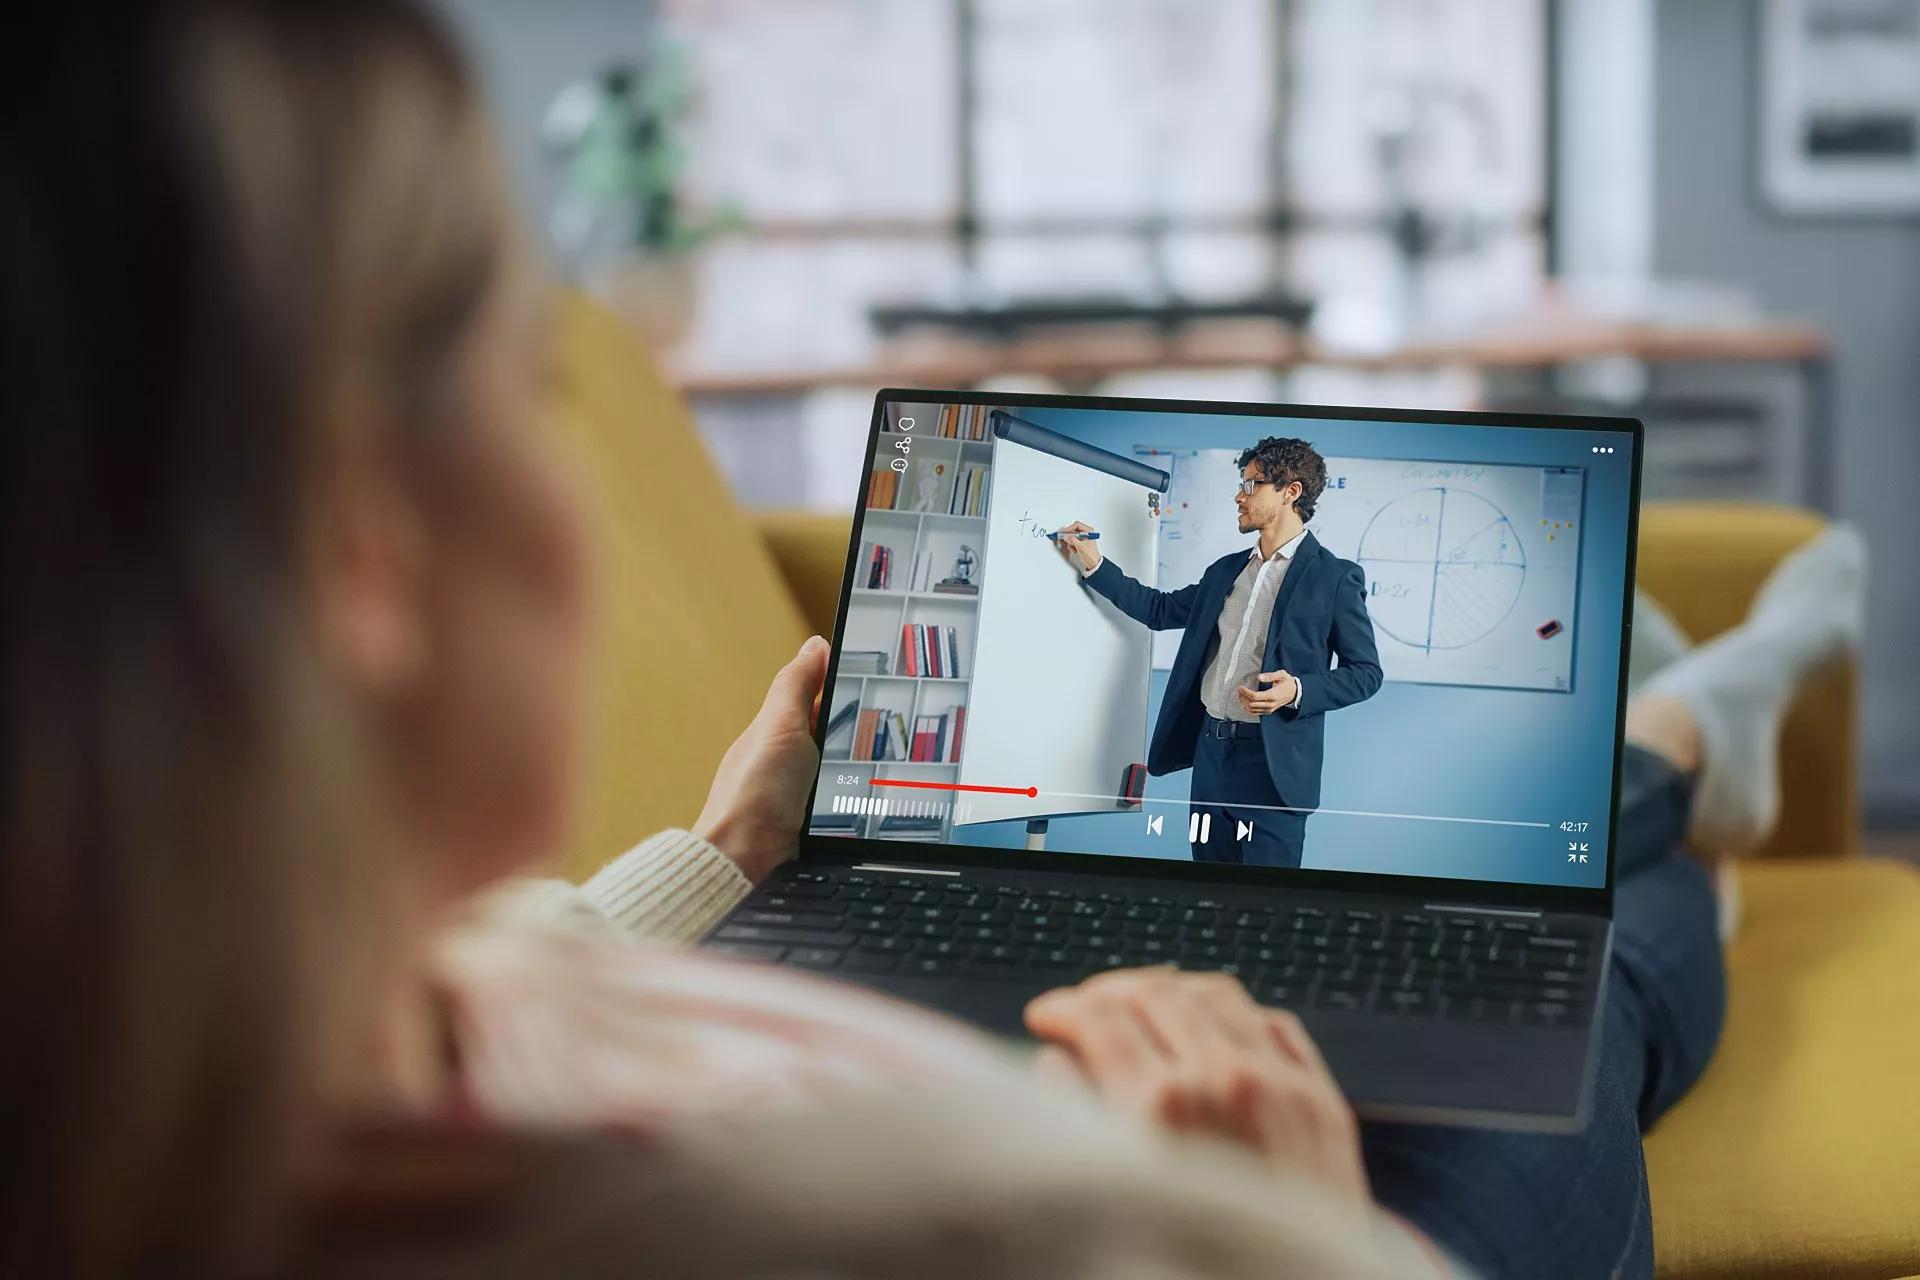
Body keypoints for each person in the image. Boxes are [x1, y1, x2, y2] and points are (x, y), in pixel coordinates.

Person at [0, 4, 1867, 1279]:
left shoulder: (170, 1062)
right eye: (521, 378)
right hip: (1203, 879)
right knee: (1586, 952)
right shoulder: (904, 1215)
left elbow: (1357, 675)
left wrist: (727, 856)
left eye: (1270, 504)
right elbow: (1154, 617)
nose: (1254, 521)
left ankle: (1682, 739)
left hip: (1280, 830)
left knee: (1481, 947)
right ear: (361, 541)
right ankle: (1690, 741)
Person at [1054, 437, 1383, 867]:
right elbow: (1158, 609)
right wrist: (1094, 563)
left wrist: (1297, 690)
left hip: (1272, 768)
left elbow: (1366, 673)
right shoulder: (1225, 572)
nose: (1238, 496)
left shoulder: (1335, 578)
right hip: (1210, 757)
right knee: (1209, 895)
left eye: (1252, 485)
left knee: (1265, 909)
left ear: (1291, 492)